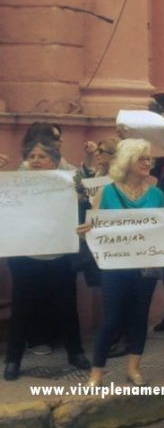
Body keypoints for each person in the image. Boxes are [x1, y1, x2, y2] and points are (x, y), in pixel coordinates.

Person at [79, 139, 164, 387]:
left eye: (148, 159)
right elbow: (94, 226)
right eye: (141, 158)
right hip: (114, 267)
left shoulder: (157, 194)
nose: (147, 163)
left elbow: (162, 229)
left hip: (146, 267)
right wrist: (86, 231)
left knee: (139, 317)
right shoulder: (107, 192)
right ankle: (97, 371)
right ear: (126, 162)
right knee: (112, 319)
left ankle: (133, 367)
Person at [3, 140, 90, 381]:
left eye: (42, 156)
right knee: (21, 309)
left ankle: (76, 353)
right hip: (26, 258)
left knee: (67, 306)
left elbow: (83, 212)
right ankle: (13, 360)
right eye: (32, 156)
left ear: (53, 160)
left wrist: (81, 215)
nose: (36, 160)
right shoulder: (15, 185)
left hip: (59, 256)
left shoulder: (68, 184)